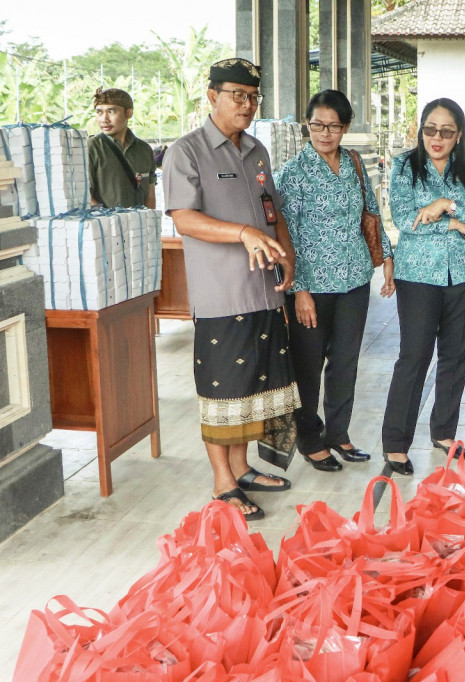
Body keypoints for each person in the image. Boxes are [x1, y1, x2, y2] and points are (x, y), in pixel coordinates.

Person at [163, 58, 298, 520]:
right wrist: (242, 233)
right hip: (223, 295)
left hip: (264, 290)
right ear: (212, 96)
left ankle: (242, 469)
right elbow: (184, 218)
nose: (247, 104)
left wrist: (288, 256)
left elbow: (272, 212)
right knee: (223, 391)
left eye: (253, 96)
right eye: (237, 95)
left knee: (254, 386)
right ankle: (223, 483)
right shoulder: (187, 151)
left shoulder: (257, 150)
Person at [274, 89, 395, 473]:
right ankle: (310, 438)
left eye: (333, 126)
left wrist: (387, 255)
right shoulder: (292, 173)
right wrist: (300, 291)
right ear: (307, 126)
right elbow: (286, 235)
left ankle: (338, 434)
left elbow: (371, 211)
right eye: (317, 125)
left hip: (354, 279)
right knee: (308, 365)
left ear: (345, 128)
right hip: (313, 286)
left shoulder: (355, 163)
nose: (324, 133)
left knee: (345, 363)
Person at [381, 98, 465, 475]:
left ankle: (444, 432)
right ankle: (396, 443)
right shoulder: (403, 166)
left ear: (458, 135)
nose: (437, 137)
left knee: (455, 356)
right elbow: (403, 218)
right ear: (421, 129)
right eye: (430, 129)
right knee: (413, 357)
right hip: (418, 276)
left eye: (447, 131)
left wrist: (447, 205)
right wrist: (454, 224)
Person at [88, 88, 156, 209]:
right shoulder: (91, 148)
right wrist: (109, 222)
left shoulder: (144, 150)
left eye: (111, 111)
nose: (104, 119)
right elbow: (86, 195)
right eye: (99, 112)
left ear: (128, 113)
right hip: (106, 224)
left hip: (139, 224)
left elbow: (150, 193)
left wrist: (150, 223)